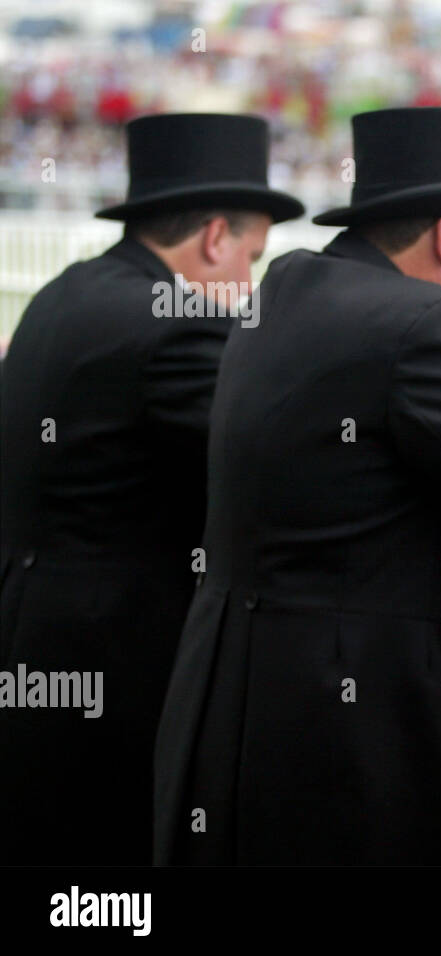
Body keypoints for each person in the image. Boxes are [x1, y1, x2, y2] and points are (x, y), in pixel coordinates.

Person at [153, 107, 441, 865]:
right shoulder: (425, 321)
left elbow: (437, 443)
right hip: (353, 739)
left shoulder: (291, 286)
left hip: (236, 705)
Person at [0, 113, 303, 865]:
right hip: (114, 666)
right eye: (253, 258)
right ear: (213, 238)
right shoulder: (176, 328)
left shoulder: (64, 295)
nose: (249, 288)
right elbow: (281, 459)